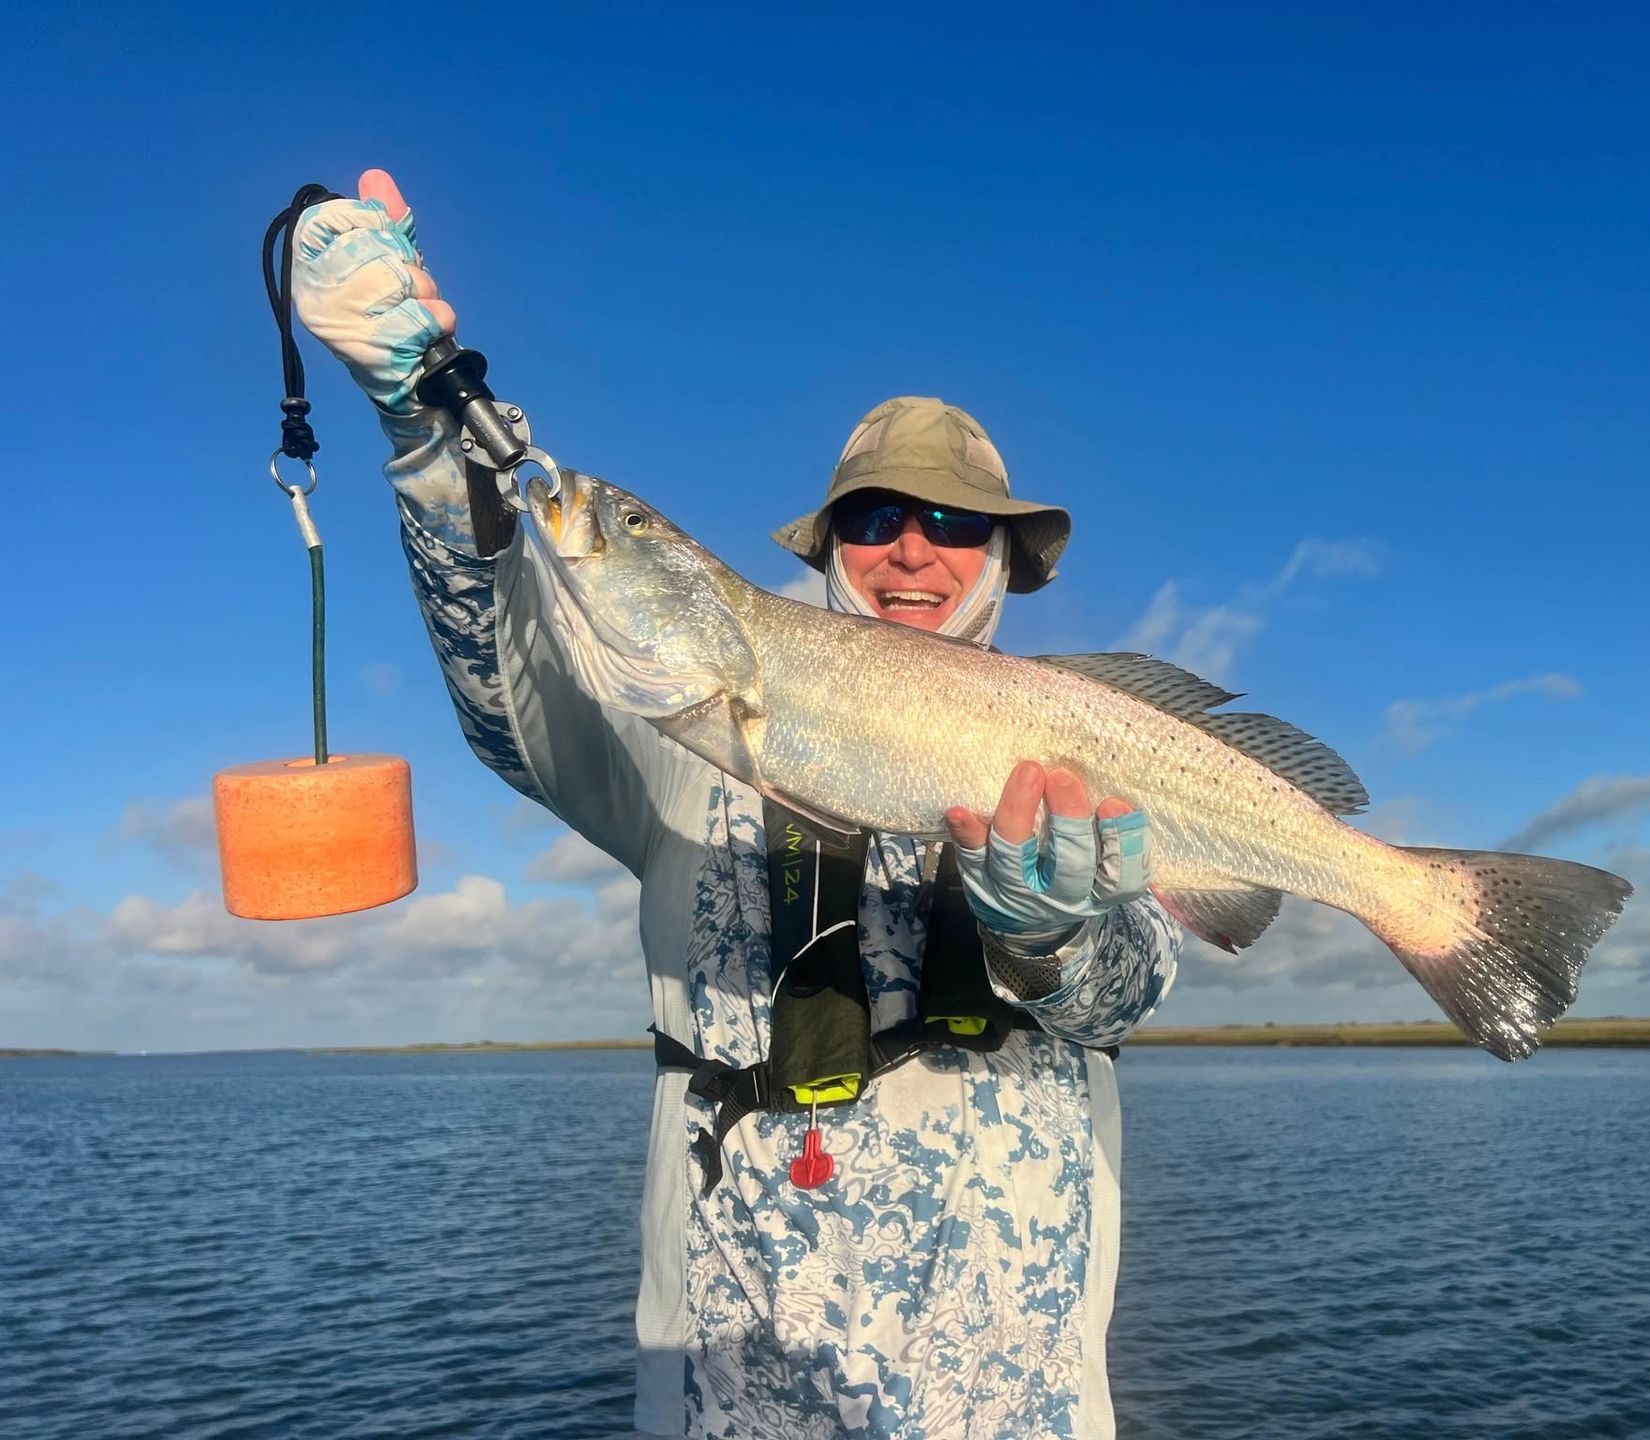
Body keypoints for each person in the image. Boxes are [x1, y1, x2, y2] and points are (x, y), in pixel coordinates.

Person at [294, 171, 1182, 1440]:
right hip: (743, 1379)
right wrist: (433, 445)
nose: (913, 549)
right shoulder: (685, 724)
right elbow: (514, 692)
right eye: (876, 516)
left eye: (956, 522)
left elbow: (1132, 995)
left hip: (1019, 1386)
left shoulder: (1078, 744)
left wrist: (1057, 940)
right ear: (825, 545)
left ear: (1006, 562)